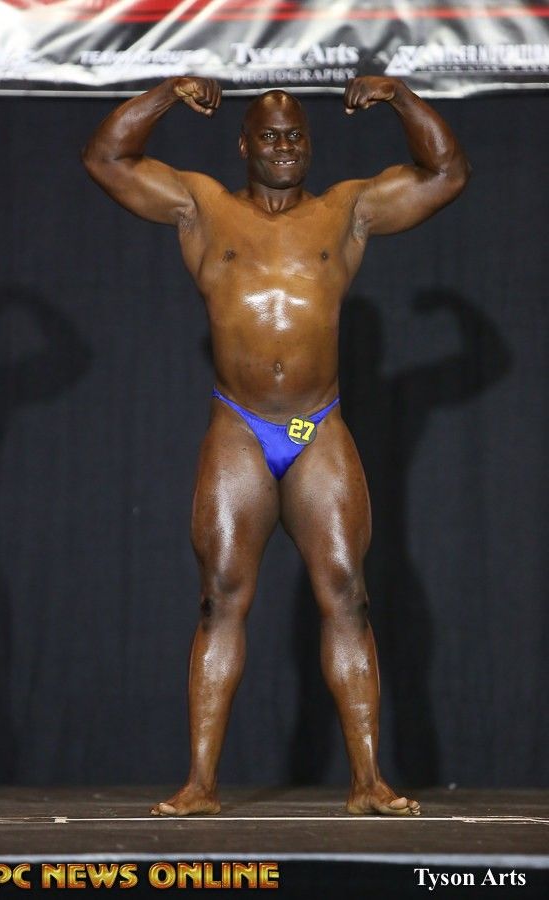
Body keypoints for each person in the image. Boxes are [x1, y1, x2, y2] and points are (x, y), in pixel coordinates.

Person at [82, 75, 470, 817]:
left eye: (296, 137)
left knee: (348, 595)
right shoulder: (202, 206)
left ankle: (368, 782)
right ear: (244, 144)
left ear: (309, 146)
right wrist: (167, 95)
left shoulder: (346, 211)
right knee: (219, 598)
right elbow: (105, 158)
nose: (285, 147)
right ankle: (200, 785)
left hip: (315, 426)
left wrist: (399, 98)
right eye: (270, 135)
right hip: (240, 424)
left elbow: (448, 172)